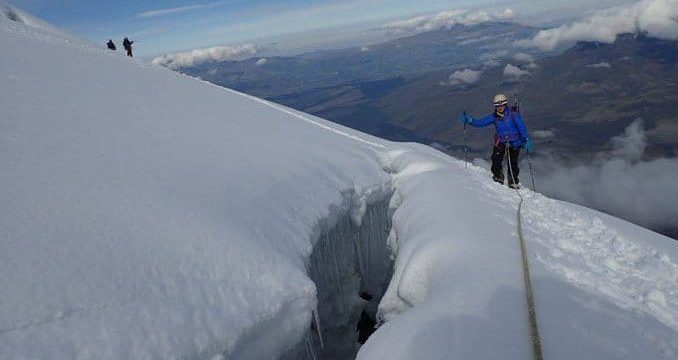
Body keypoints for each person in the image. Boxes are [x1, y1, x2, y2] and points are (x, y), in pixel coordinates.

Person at [459, 94, 534, 188]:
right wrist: (470, 120)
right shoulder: (494, 117)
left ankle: (513, 181)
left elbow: (521, 128)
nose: (500, 108)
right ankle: (498, 176)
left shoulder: (513, 115)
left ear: (505, 104)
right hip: (501, 142)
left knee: (513, 163)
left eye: (502, 105)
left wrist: (525, 139)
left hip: (515, 143)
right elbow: (481, 122)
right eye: (498, 106)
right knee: (496, 160)